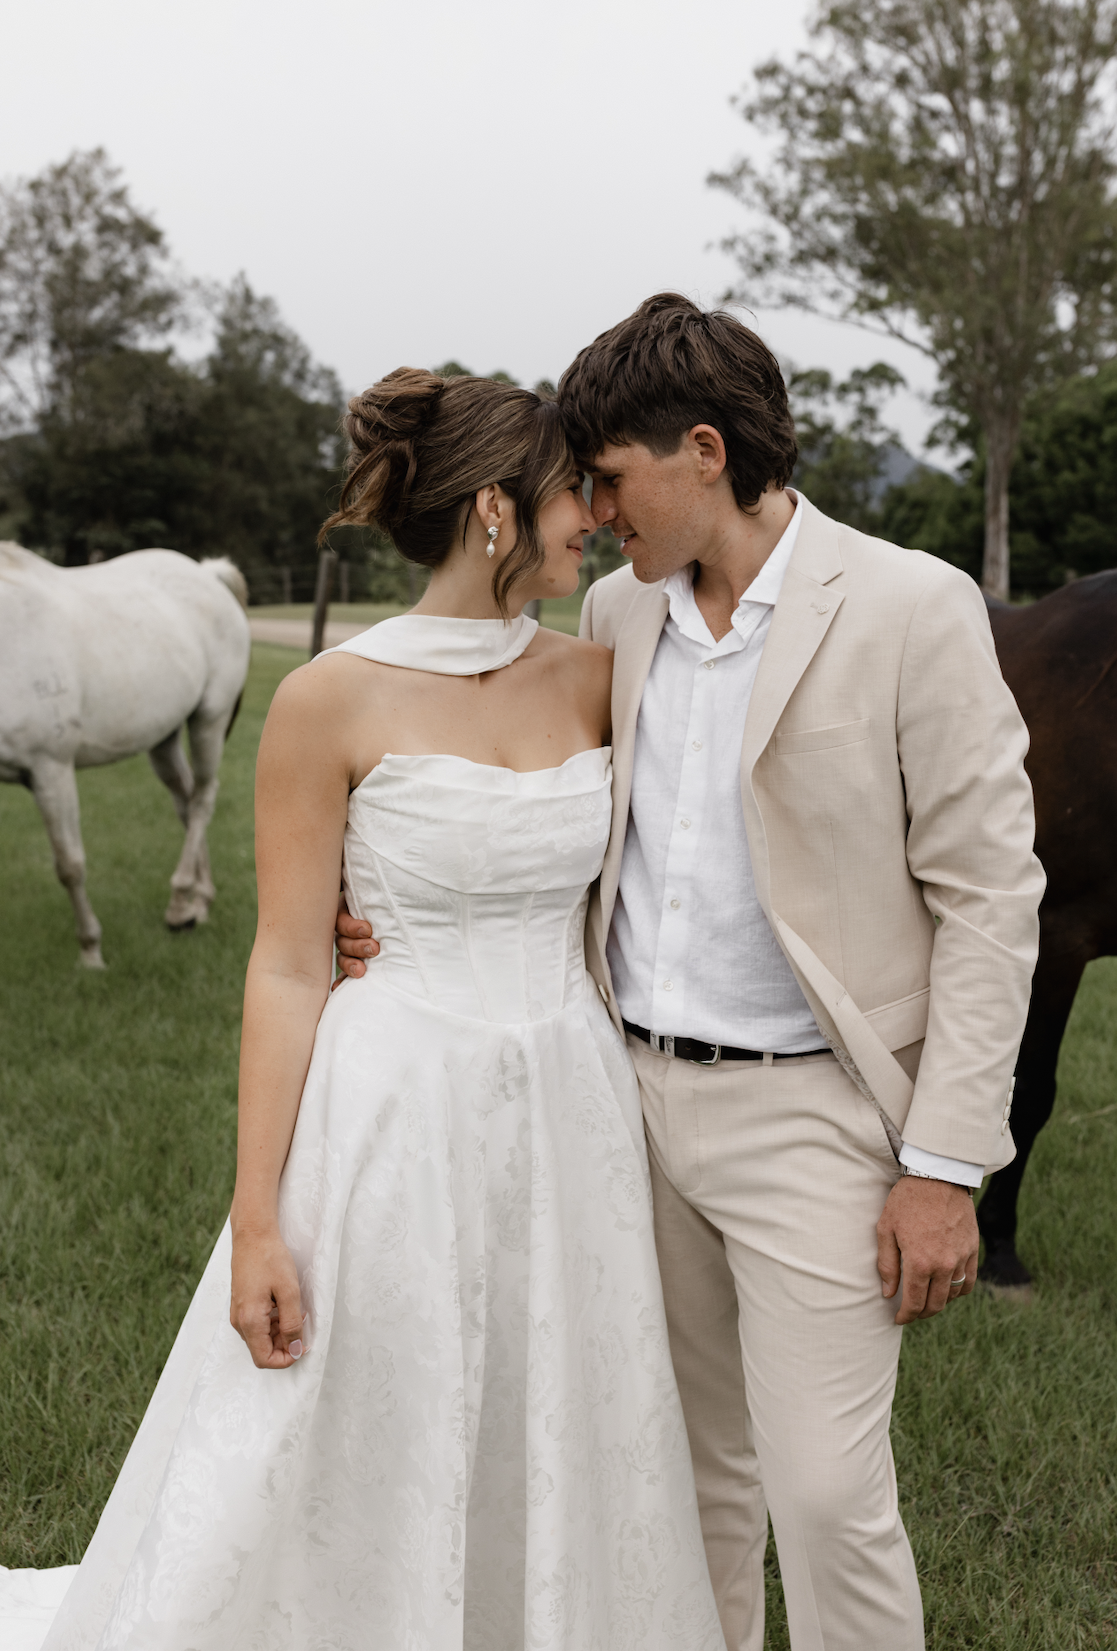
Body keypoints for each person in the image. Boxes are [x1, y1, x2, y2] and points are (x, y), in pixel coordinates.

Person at [338, 296, 1045, 1651]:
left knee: (829, 1497)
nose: (595, 515)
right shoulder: (619, 611)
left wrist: (946, 1166)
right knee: (679, 1487)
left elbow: (989, 897)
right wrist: (377, 916)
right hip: (623, 1106)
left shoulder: (909, 605)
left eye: (609, 479)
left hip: (816, 1121)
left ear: (704, 453)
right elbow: (532, 814)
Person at [37, 369, 726, 1651]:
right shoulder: (326, 701)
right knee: (382, 1407)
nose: (594, 515)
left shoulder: (598, 670)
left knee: (558, 1397)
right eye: (571, 489)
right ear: (493, 513)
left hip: (571, 1100)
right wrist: (255, 1218)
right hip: (395, 1103)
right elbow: (290, 963)